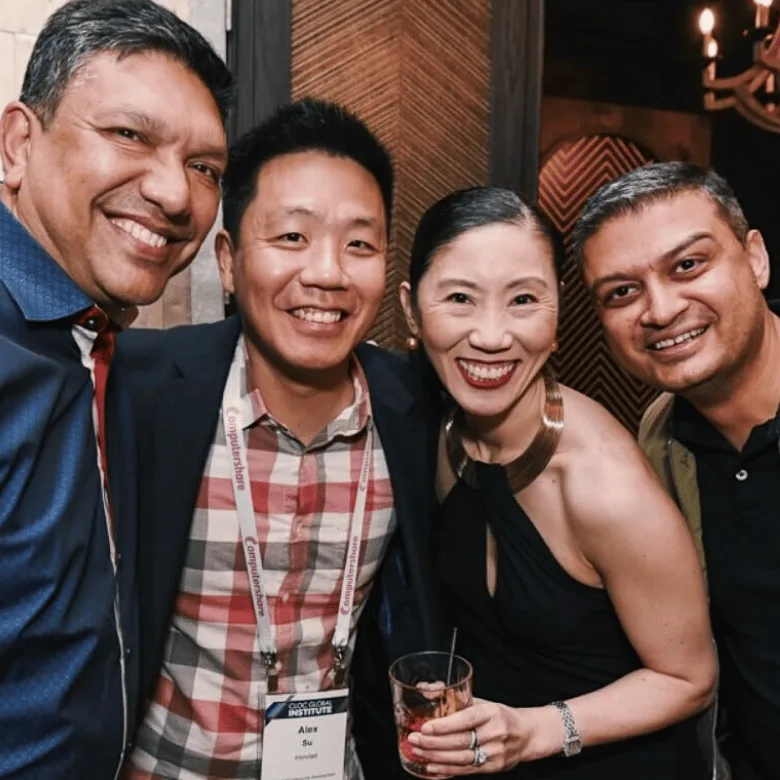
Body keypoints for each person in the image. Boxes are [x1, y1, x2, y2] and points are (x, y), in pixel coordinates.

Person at [118, 98, 442, 780]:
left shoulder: (416, 406)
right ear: (230, 262)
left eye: (360, 243)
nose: (327, 273)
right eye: (292, 238)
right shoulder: (141, 389)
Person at [396, 186, 718, 779]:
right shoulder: (439, 429)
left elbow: (689, 680)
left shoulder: (604, 485)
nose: (492, 336)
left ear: (557, 315)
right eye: (460, 299)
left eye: (523, 300)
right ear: (412, 311)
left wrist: (539, 729)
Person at [0, 0, 232, 777]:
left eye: (205, 167)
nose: (175, 195)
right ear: (16, 145)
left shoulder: (92, 342)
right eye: (129, 135)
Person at [573, 161, 780, 780]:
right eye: (621, 293)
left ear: (756, 259)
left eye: (688, 265)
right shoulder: (660, 441)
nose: (660, 310)